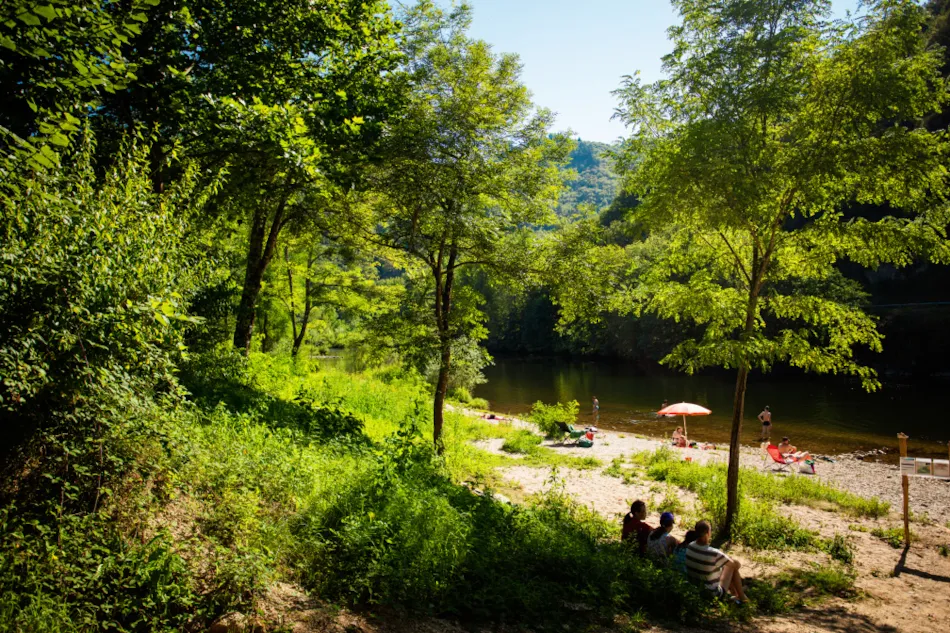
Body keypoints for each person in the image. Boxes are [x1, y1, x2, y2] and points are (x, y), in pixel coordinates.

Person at [685, 520, 747, 604]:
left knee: (723, 565)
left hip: (694, 591)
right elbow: (736, 565)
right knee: (730, 567)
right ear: (708, 533)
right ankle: (742, 597)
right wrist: (730, 559)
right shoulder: (714, 553)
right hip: (711, 595)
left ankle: (735, 594)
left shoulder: (690, 546)